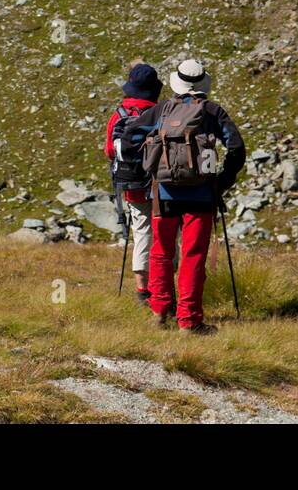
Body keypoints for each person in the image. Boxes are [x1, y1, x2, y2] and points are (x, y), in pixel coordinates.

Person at [133, 57, 245, 333]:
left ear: (178, 83)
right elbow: (237, 149)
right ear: (203, 83)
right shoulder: (212, 112)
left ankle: (160, 311)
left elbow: (131, 136)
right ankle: (189, 321)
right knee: (193, 256)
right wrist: (222, 182)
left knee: (161, 251)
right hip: (201, 194)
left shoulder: (161, 110)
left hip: (165, 192)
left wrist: (148, 172)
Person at [104, 62, 163, 305]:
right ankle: (165, 286)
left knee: (141, 233)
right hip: (161, 187)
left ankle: (142, 291)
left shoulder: (118, 115)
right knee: (164, 233)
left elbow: (110, 151)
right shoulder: (162, 112)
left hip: (132, 187)